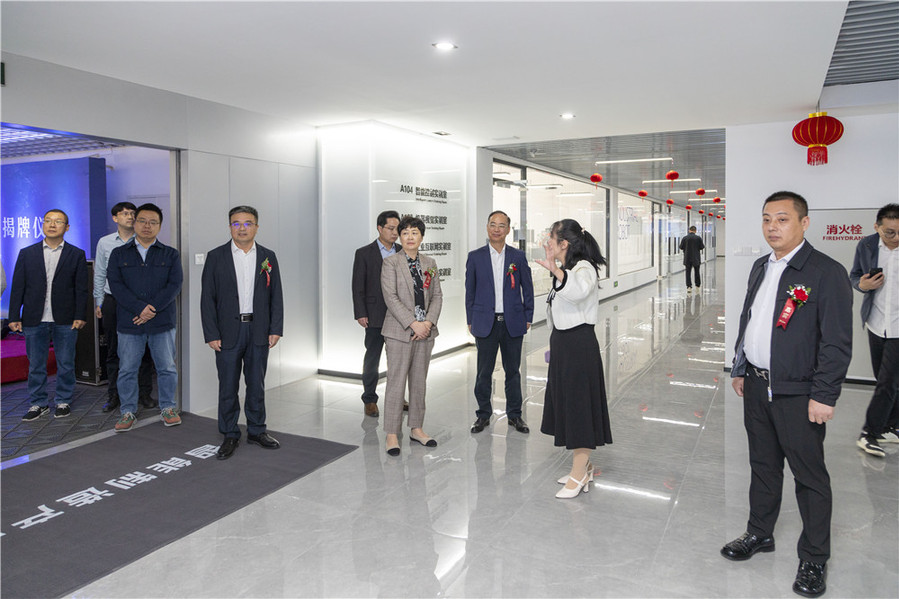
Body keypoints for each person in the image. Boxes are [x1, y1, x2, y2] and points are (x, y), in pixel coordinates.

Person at [724, 191, 852, 598]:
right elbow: (750, 320)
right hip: (757, 385)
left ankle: (814, 557)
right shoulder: (761, 266)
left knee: (809, 476)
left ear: (804, 223)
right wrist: (741, 366)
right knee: (763, 465)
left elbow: (836, 342)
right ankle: (760, 532)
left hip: (799, 392)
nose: (772, 227)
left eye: (782, 219)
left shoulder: (825, 272)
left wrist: (825, 394)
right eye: (766, 219)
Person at [534, 218, 612, 499]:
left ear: (564, 243)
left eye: (551, 238)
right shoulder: (569, 269)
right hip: (564, 344)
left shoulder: (584, 268)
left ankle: (579, 474)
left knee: (579, 407)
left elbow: (577, 293)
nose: (548, 243)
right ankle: (584, 467)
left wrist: (554, 269)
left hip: (579, 346)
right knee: (567, 404)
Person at [201, 206, 284, 460]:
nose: (242, 228)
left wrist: (275, 328)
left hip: (258, 330)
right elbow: (207, 298)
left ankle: (257, 430)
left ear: (256, 227)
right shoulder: (216, 256)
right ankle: (229, 433)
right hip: (227, 332)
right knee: (228, 385)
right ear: (230, 227)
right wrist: (211, 333)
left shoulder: (268, 256)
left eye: (248, 223)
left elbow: (276, 295)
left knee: (256, 384)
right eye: (236, 223)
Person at [107, 203, 183, 432]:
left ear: (160, 226)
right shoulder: (119, 253)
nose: (147, 226)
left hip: (162, 322)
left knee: (167, 368)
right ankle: (128, 411)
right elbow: (116, 286)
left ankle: (168, 407)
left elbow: (174, 284)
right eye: (142, 221)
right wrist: (139, 308)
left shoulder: (170, 254)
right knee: (127, 369)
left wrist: (151, 309)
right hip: (130, 322)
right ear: (135, 223)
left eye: (153, 222)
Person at [8, 209, 89, 421]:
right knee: (36, 365)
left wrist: (80, 315)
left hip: (66, 318)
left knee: (66, 363)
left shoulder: (76, 254)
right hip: (34, 317)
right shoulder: (27, 253)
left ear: (67, 227)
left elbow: (81, 289)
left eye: (58, 221)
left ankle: (63, 400)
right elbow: (18, 287)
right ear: (42, 225)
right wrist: (14, 316)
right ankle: (38, 403)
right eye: (48, 221)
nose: (52, 225)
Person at [465, 210, 534, 434]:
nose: (496, 229)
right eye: (493, 224)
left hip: (513, 322)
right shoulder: (475, 257)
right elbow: (470, 291)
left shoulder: (518, 257)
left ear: (508, 230)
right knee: (483, 373)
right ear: (487, 227)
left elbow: (527, 288)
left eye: (501, 225)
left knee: (513, 371)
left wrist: (528, 316)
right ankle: (483, 414)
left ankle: (515, 415)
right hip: (486, 322)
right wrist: (470, 319)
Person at [380, 216, 442, 456]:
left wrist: (427, 323)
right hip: (399, 332)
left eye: (414, 233)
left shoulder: (430, 263)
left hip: (425, 332)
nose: (409, 237)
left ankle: (417, 428)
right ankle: (392, 433)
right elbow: (391, 298)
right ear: (400, 236)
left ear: (421, 237)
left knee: (419, 382)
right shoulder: (391, 263)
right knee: (396, 383)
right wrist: (413, 324)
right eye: (405, 233)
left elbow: (437, 296)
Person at [93, 201, 155, 413]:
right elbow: (100, 273)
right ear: (115, 218)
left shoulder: (146, 239)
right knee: (114, 349)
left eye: (132, 213)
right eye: (125, 213)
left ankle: (144, 394)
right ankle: (114, 395)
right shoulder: (105, 242)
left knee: (143, 349)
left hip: (140, 302)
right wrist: (99, 301)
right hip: (113, 300)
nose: (130, 217)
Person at [849, 203, 899, 458]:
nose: (896, 237)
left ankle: (869, 433)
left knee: (889, 382)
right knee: (885, 380)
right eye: (890, 232)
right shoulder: (867, 245)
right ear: (877, 227)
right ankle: (890, 426)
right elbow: (854, 276)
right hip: (876, 322)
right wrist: (863, 285)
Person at [352, 210, 402, 417]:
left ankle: (398, 396)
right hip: (374, 314)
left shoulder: (402, 251)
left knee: (398, 360)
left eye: (397, 229)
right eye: (390, 228)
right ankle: (370, 399)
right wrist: (360, 312)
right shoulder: (364, 253)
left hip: (400, 315)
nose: (395, 233)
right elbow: (358, 286)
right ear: (380, 228)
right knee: (372, 358)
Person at [680, 225, 705, 293]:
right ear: (695, 231)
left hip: (687, 258)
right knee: (697, 272)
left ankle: (689, 286)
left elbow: (681, 247)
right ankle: (697, 285)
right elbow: (702, 247)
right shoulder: (698, 238)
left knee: (688, 272)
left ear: (689, 230)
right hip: (696, 258)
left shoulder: (685, 238)